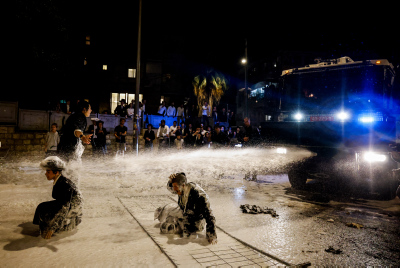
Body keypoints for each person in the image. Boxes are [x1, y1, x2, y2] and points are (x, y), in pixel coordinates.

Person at [33, 156, 83, 239]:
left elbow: (65, 208)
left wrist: (53, 228)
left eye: (48, 171)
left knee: (43, 208)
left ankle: (48, 231)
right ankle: (43, 231)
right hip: (68, 207)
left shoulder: (64, 184)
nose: (46, 173)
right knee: (42, 207)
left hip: (73, 214)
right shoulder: (59, 181)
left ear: (56, 172)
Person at [161, 173, 217, 244]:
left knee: (187, 234)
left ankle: (181, 227)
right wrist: (170, 181)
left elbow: (209, 216)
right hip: (185, 212)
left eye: (175, 186)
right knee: (166, 209)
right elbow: (171, 189)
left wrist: (211, 236)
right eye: (173, 186)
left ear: (183, 185)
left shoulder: (199, 196)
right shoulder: (181, 189)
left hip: (196, 221)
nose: (174, 189)